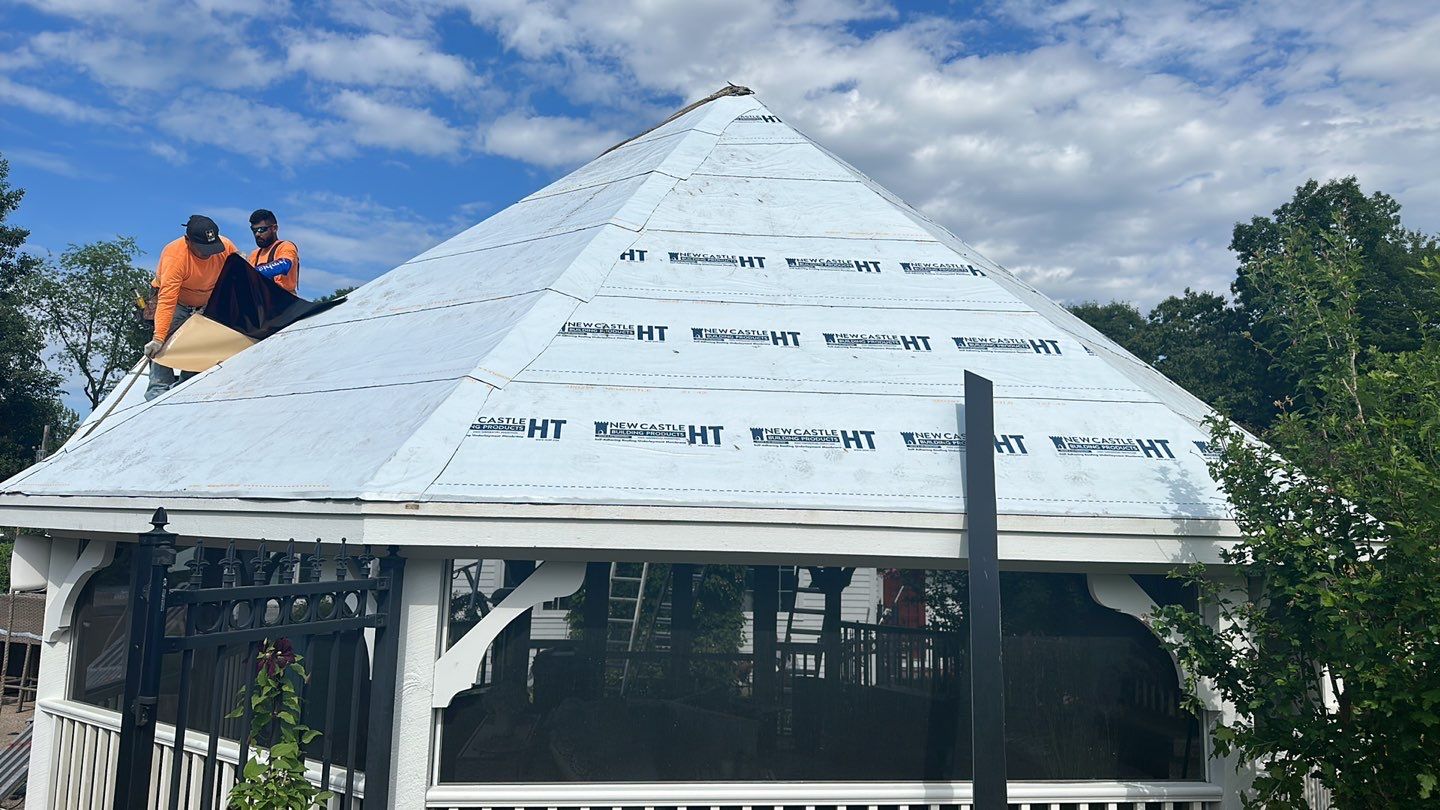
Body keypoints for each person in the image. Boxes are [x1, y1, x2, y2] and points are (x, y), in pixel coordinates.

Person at [143, 214, 239, 400]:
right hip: (177, 302)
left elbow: (241, 276)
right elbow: (167, 299)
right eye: (203, 249)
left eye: (211, 247)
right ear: (188, 241)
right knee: (165, 343)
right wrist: (158, 337)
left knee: (199, 343)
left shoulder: (225, 247)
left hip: (205, 302)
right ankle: (157, 391)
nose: (208, 253)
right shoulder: (175, 256)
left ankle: (185, 386)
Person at [247, 209, 300, 294]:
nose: (257, 234)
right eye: (254, 230)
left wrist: (252, 272)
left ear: (274, 228)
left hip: (286, 301)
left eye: (261, 229)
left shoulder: (285, 246)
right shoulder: (254, 254)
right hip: (261, 302)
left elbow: (284, 265)